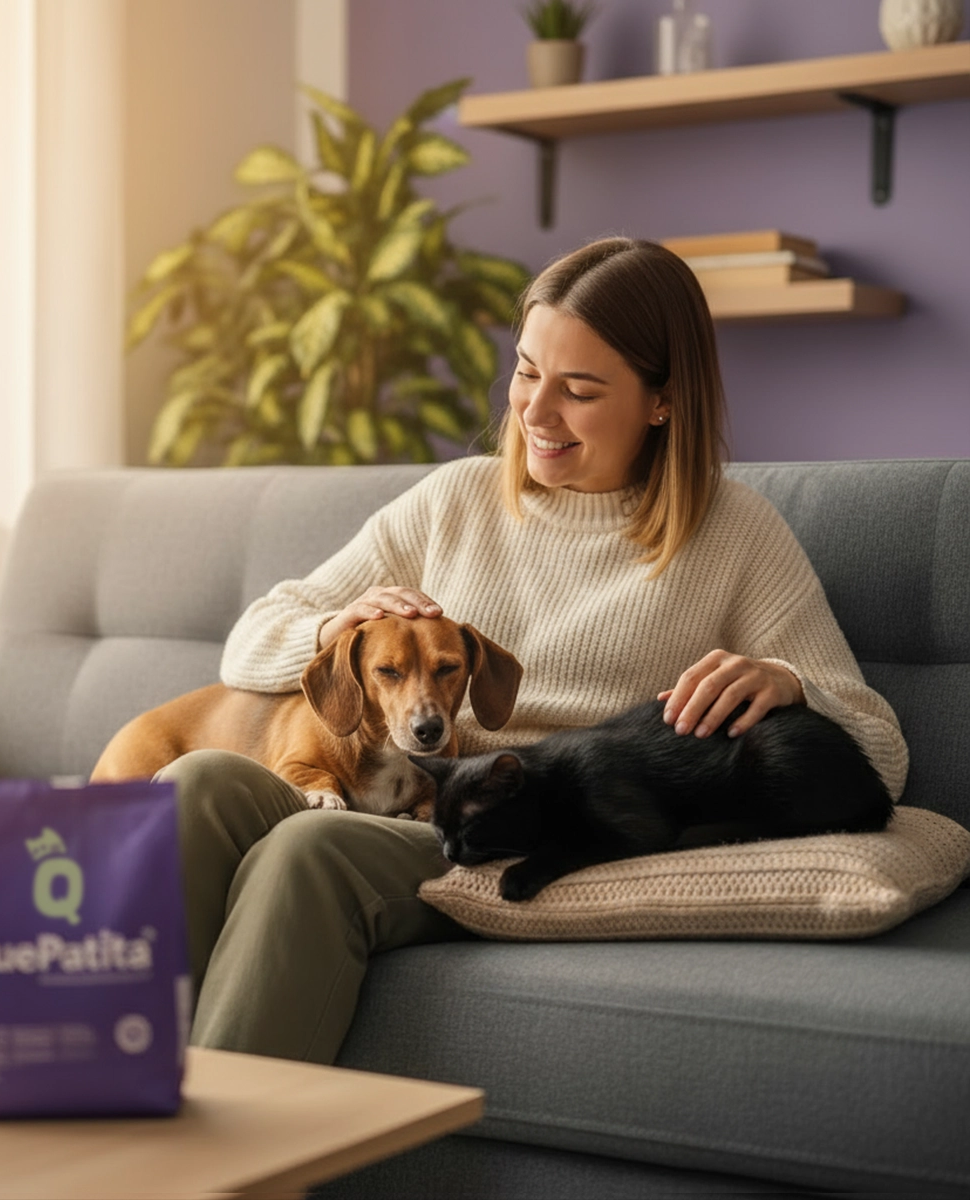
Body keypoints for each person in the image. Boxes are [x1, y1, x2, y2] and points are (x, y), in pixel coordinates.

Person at [156, 236, 908, 1065]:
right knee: (195, 784)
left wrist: (787, 685)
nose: (536, 412)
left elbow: (878, 745)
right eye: (525, 372)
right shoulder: (457, 499)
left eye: (579, 391)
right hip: (426, 804)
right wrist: (334, 627)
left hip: (527, 838)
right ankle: (109, 1101)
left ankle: (210, 1177)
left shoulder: (735, 536)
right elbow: (252, 638)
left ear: (662, 401)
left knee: (308, 848)